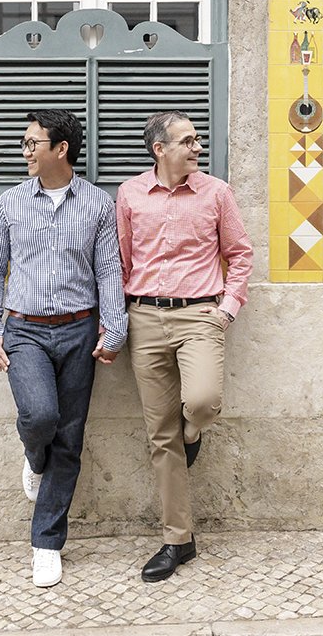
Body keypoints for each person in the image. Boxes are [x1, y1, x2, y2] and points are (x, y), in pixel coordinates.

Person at [0, 109, 125, 589]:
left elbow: (108, 271)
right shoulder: (10, 204)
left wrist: (115, 328)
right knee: (40, 418)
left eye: (31, 143)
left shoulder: (99, 206)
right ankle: (33, 456)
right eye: (24, 143)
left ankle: (45, 544)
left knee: (70, 438)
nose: (24, 152)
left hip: (80, 331)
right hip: (24, 331)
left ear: (60, 149)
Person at [116, 110, 253, 583]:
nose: (198, 147)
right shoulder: (130, 194)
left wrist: (226, 308)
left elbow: (239, 254)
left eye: (197, 139)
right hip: (145, 316)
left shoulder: (217, 193)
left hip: (200, 314)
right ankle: (178, 539)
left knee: (202, 402)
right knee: (160, 436)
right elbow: (122, 258)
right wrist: (120, 320)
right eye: (188, 141)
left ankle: (193, 434)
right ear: (160, 149)